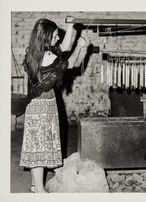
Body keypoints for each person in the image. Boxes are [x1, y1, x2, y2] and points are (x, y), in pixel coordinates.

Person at [19, 16, 87, 193]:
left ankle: (35, 185)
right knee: (41, 147)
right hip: (43, 108)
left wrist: (71, 26)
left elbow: (63, 47)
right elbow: (70, 63)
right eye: (56, 35)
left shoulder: (34, 52)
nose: (58, 38)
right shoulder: (48, 57)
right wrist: (80, 46)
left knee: (37, 146)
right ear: (47, 37)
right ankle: (40, 191)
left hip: (36, 107)